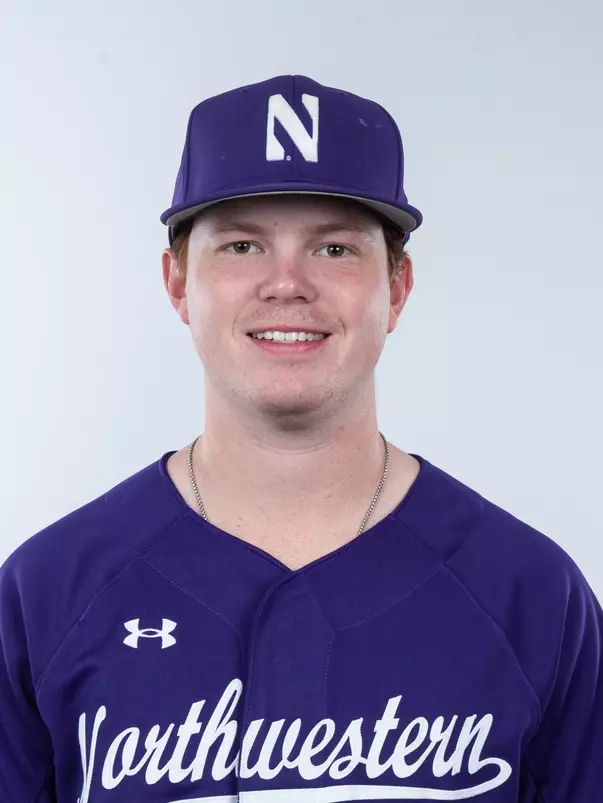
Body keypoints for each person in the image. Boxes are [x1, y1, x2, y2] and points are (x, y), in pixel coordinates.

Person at [0, 75, 601, 803]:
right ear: (177, 282)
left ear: (397, 287)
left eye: (335, 249)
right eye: (244, 244)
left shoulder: (530, 594)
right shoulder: (48, 593)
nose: (286, 283)